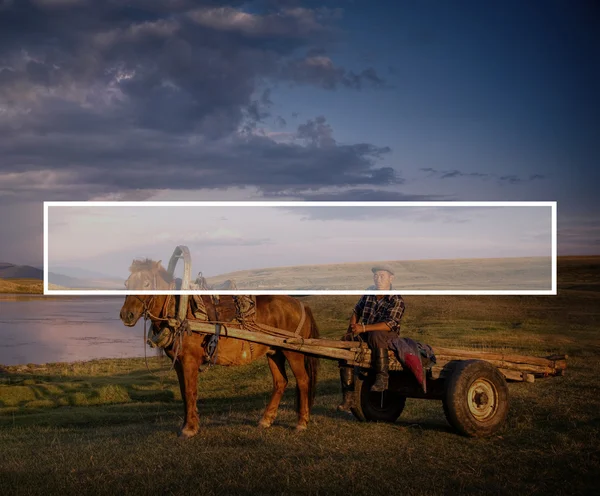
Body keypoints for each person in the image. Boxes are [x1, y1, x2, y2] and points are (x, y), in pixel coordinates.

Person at [337, 264, 406, 412]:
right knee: (346, 342)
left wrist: (364, 328)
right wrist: (352, 328)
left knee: (377, 334)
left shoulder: (397, 299)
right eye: (376, 276)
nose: (378, 279)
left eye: (382, 276)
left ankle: (382, 377)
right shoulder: (369, 292)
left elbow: (390, 324)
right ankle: (348, 397)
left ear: (391, 278)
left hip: (387, 336)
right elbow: (357, 310)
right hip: (367, 333)